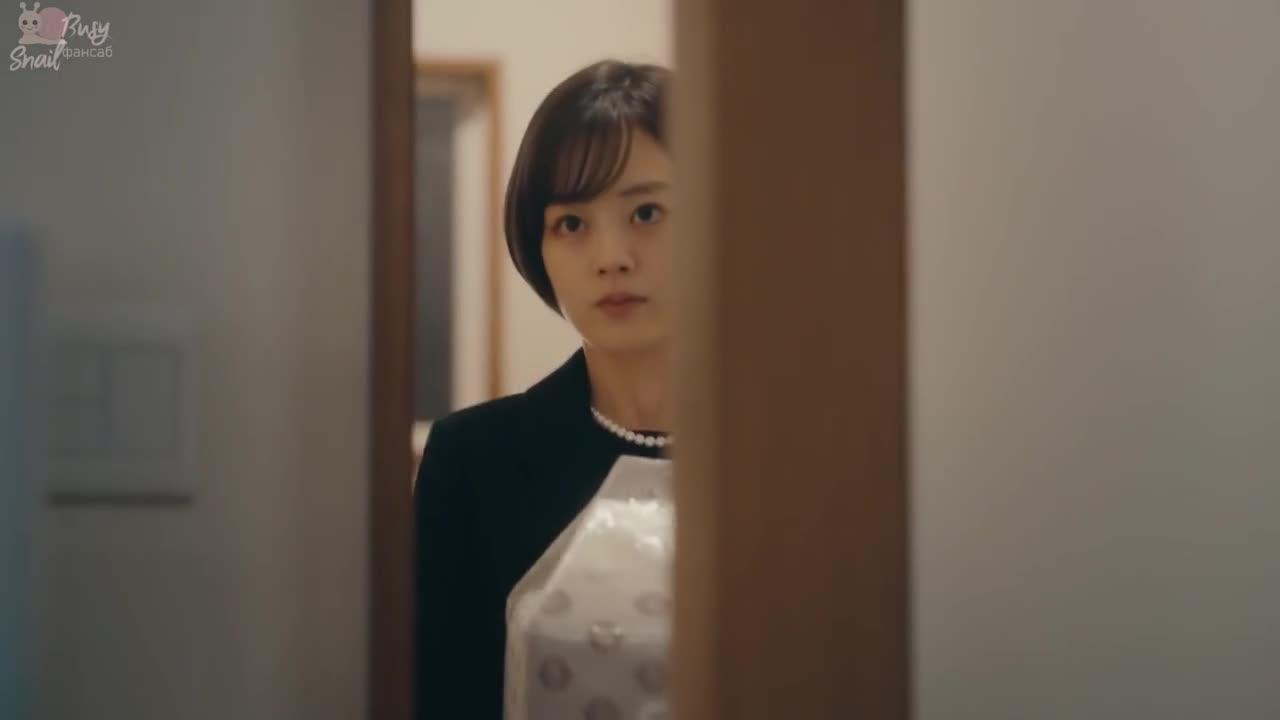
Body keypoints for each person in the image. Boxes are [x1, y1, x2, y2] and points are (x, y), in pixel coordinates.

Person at [414, 59, 675, 719]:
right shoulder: (473, 459)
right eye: (572, 224)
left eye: (646, 212)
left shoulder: (794, 456)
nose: (610, 257)